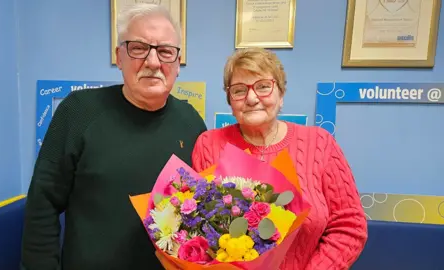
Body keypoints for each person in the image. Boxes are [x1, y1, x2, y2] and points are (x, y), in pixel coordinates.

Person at [20, 4, 207, 270]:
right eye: (139, 48)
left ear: (177, 64)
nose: (153, 62)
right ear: (119, 57)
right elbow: (42, 205)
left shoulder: (191, 122)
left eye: (165, 51)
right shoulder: (78, 112)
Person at [191, 48, 368, 269]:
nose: (252, 98)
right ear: (230, 101)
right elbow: (199, 228)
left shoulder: (320, 144)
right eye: (239, 90)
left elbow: (349, 226)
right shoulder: (209, 145)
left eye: (263, 87)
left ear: (281, 95)